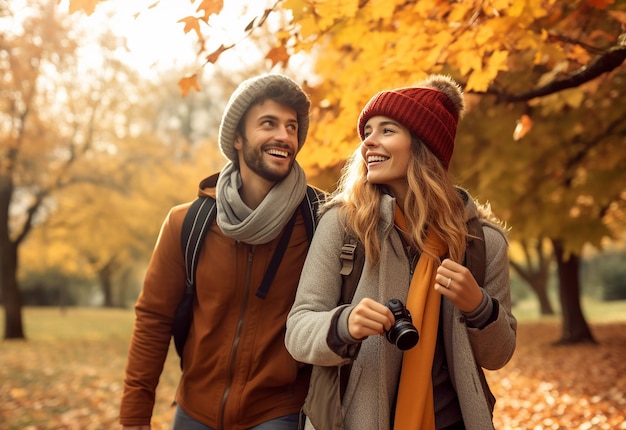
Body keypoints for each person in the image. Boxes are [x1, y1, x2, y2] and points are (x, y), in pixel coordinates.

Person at [285, 75, 517, 430]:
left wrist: (480, 307)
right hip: (356, 421)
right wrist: (344, 324)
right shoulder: (344, 224)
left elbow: (498, 355)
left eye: (387, 131)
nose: (368, 143)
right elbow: (298, 331)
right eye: (367, 133)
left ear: (423, 146)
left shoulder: (482, 243)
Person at [120, 74, 318, 430]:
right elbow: (153, 319)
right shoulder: (187, 223)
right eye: (269, 124)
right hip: (195, 410)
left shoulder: (319, 220)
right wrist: (135, 417)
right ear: (238, 139)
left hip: (279, 412)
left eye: (292, 127)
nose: (284, 136)